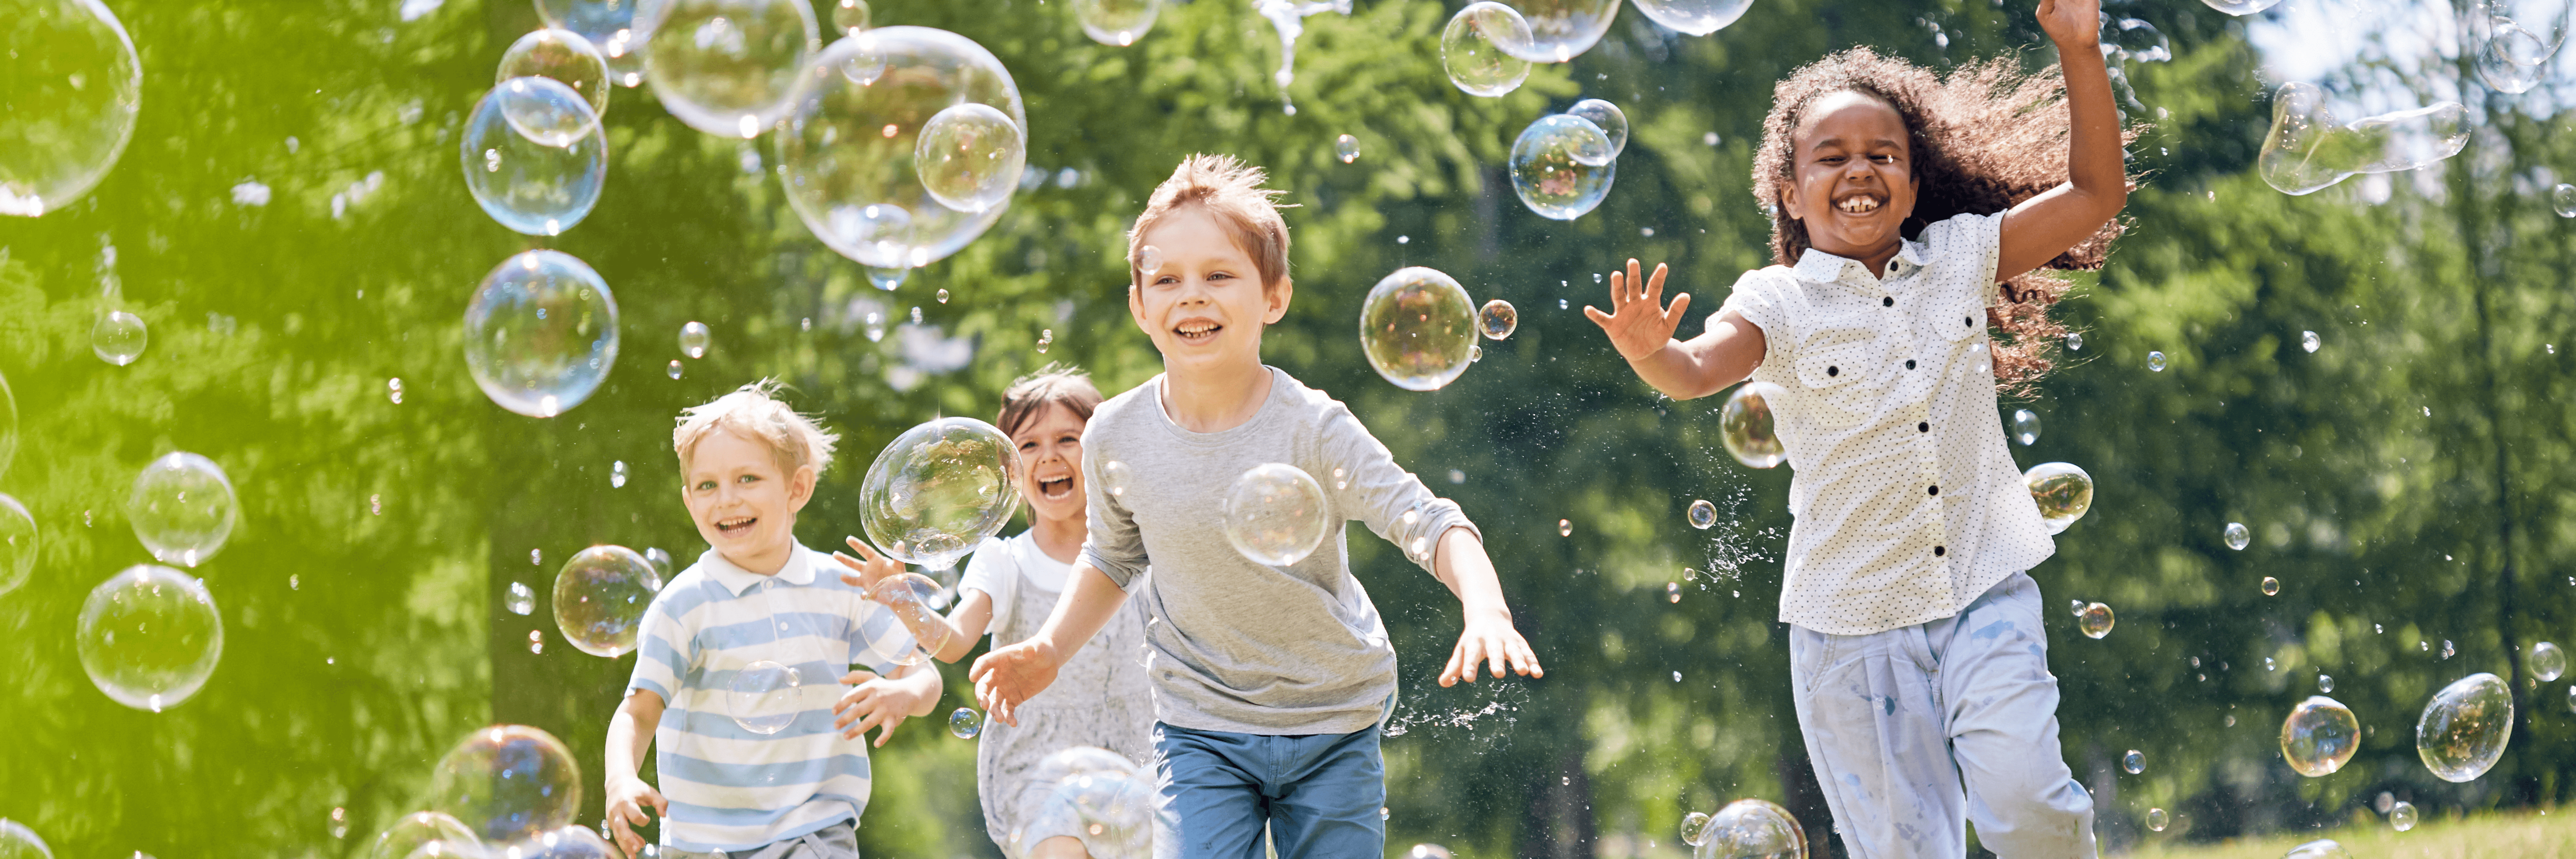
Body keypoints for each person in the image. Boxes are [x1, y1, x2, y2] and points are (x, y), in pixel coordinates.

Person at [1583, 0, 2130, 853]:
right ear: (1790, 193)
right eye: (1830, 157)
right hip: (1849, 629)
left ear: (1914, 185)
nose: (1860, 170)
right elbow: (1694, 371)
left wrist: (2078, 48)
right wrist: (1652, 350)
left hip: (1986, 588)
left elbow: (2096, 194)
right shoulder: (1778, 301)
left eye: (1884, 155)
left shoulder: (1961, 256)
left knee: (2030, 807)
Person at [961, 153, 1543, 859]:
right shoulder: (1115, 433)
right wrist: (1050, 652)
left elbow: (1429, 521)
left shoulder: (1314, 426)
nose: (1193, 295)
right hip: (1197, 725)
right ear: (1140, 306)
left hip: (1331, 718)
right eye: (1167, 279)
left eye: (1219, 275)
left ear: (1274, 297)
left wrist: (1487, 609)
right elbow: (1113, 556)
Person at [603, 381, 943, 859]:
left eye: (747, 479)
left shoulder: (842, 586)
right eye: (707, 486)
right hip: (703, 844)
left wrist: (906, 694)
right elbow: (638, 713)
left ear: (797, 489)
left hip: (815, 828)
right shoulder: (684, 604)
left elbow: (921, 671)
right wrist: (620, 778)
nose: (726, 499)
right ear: (689, 503)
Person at [833, 365, 1155, 859]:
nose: (1049, 455)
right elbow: (956, 640)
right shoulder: (1005, 561)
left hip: (1141, 755)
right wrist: (901, 596)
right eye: (1028, 445)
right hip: (1037, 765)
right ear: (1009, 472)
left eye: (1069, 438)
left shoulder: (1140, 550)